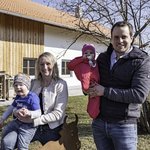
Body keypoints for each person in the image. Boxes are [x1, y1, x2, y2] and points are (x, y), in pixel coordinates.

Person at [88, 21, 150, 150]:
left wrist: (104, 91)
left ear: (131, 38)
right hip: (99, 124)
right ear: (111, 39)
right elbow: (94, 83)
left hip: (124, 126)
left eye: (124, 37)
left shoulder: (141, 61)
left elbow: (139, 95)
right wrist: (87, 87)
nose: (120, 40)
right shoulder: (102, 58)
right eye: (116, 37)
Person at [14, 52, 68, 146]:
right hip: (30, 126)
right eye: (42, 64)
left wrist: (34, 121)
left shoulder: (60, 84)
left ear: (54, 66)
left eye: (48, 64)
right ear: (38, 67)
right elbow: (19, 102)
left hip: (53, 130)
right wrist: (17, 112)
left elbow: (58, 113)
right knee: (9, 142)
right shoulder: (33, 83)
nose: (45, 67)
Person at [0, 73, 41, 150]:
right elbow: (11, 107)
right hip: (17, 122)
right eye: (15, 85)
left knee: (22, 146)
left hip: (29, 126)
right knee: (5, 130)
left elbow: (38, 112)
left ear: (27, 86)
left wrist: (29, 113)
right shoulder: (18, 96)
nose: (18, 87)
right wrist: (2, 118)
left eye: (21, 85)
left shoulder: (32, 97)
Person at [67, 44, 100, 119]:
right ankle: (93, 114)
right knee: (92, 102)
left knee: (96, 101)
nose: (88, 54)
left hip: (96, 85)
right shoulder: (81, 63)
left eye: (91, 53)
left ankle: (95, 114)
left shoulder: (96, 63)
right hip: (87, 87)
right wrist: (82, 59)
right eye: (86, 53)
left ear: (94, 54)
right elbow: (70, 66)